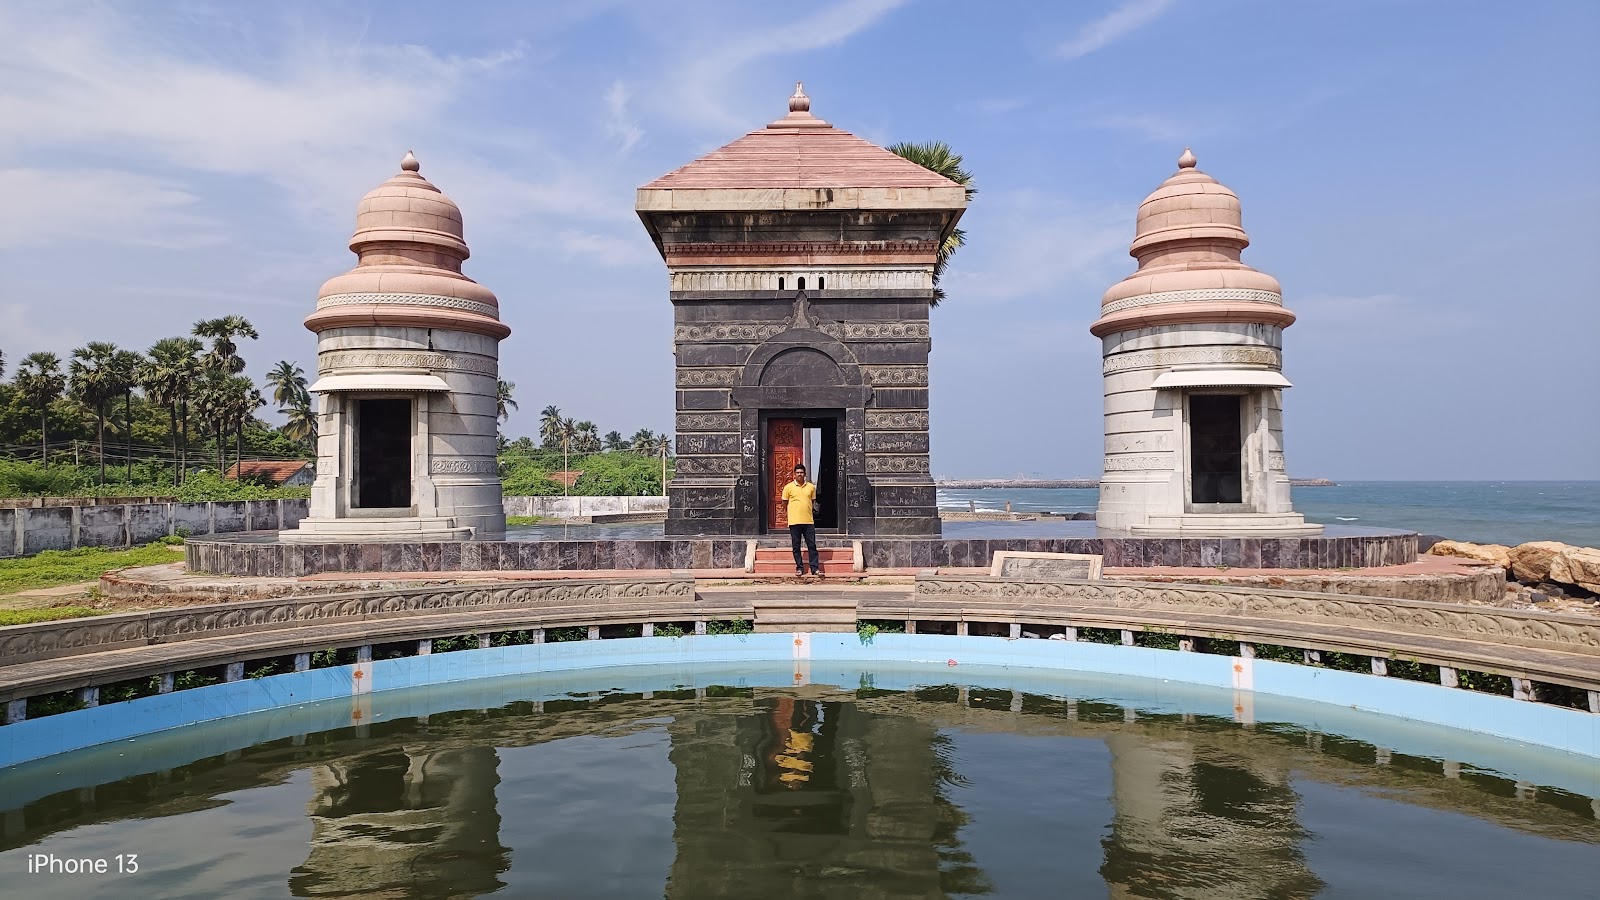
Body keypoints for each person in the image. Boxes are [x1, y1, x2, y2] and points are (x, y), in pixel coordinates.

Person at [782, 464, 821, 577]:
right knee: (796, 546)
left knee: (812, 545)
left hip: (808, 521)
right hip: (794, 521)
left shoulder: (811, 487)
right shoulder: (788, 487)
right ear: (794, 474)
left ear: (805, 474)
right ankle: (799, 568)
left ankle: (815, 568)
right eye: (797, 472)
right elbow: (784, 502)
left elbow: (812, 501)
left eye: (801, 472)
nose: (799, 474)